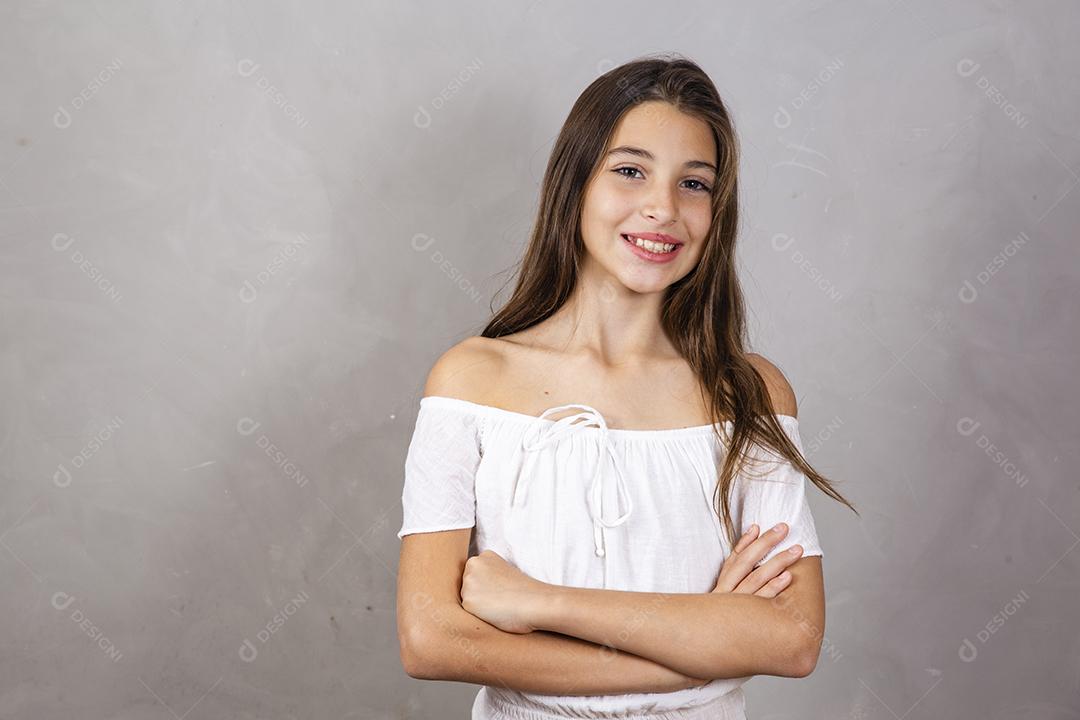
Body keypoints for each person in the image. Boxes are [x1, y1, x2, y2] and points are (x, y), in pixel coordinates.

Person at [395, 53, 858, 720]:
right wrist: (701, 643)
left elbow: (792, 639)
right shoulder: (472, 380)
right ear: (574, 184)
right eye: (631, 171)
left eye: (694, 184)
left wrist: (540, 603)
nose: (663, 208)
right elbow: (431, 640)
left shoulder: (749, 396)